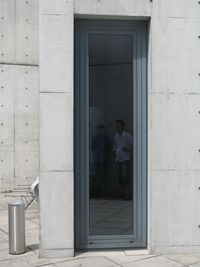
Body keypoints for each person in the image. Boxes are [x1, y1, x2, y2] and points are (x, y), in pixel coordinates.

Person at [113, 119, 132, 200]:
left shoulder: (128, 136)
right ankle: (122, 193)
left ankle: (127, 193)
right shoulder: (115, 136)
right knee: (120, 177)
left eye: (119, 125)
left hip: (125, 158)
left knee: (125, 176)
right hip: (118, 158)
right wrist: (115, 151)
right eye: (117, 125)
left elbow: (134, 145)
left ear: (123, 126)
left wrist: (128, 150)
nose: (117, 127)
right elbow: (115, 146)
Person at [91, 124, 110, 197]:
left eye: (101, 129)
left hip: (103, 159)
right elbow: (92, 147)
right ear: (97, 130)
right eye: (99, 129)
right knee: (96, 175)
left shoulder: (105, 138)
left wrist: (105, 155)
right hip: (96, 159)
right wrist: (93, 157)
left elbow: (109, 146)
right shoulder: (94, 138)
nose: (100, 131)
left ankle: (100, 191)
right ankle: (95, 191)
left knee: (102, 175)